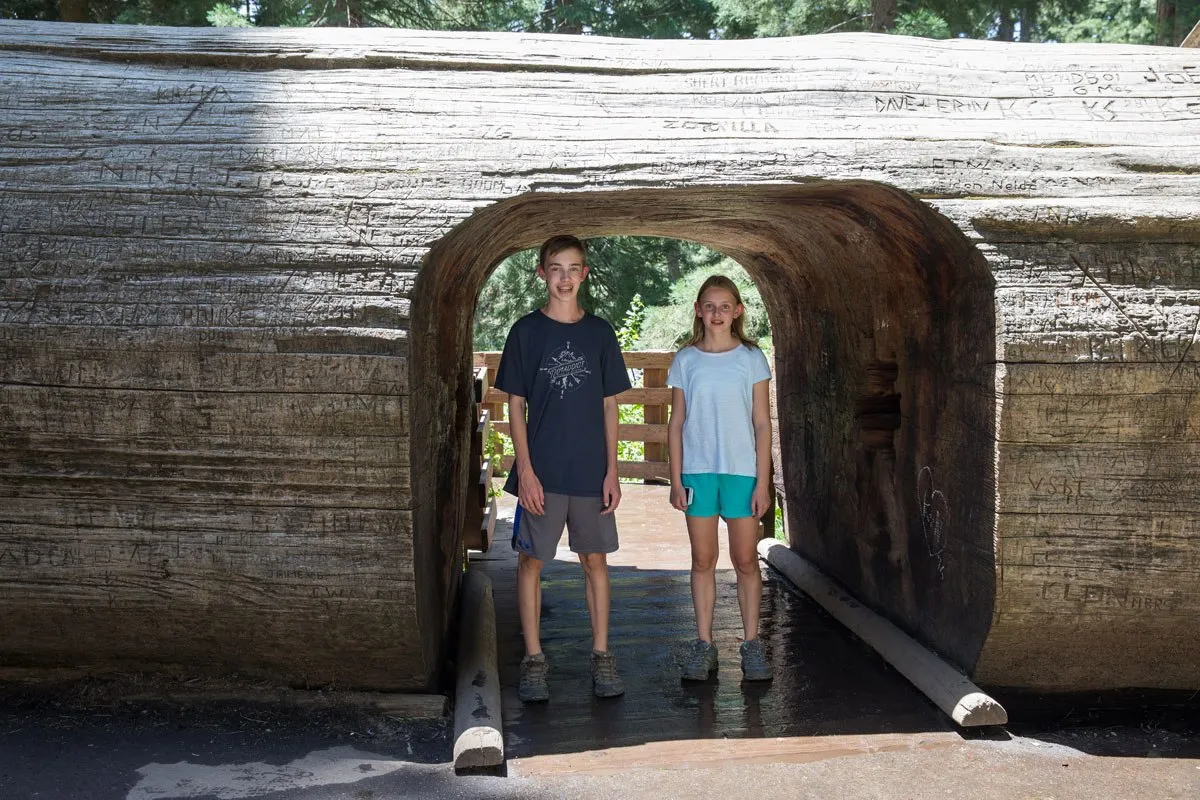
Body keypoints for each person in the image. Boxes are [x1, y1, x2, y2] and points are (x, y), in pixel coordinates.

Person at [494, 234, 631, 702]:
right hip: (544, 472)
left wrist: (613, 471)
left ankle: (601, 656)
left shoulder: (601, 334)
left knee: (596, 561)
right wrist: (526, 471)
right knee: (531, 560)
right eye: (556, 268)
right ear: (541, 273)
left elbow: (610, 407)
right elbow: (515, 407)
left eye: (574, 268)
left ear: (585, 274)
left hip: (592, 472)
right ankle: (533, 659)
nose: (565, 278)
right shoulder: (525, 333)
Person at [667, 274, 774, 682]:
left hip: (742, 472)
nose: (716, 313)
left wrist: (762, 483)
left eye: (724, 306)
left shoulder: (751, 358)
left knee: (745, 560)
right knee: (702, 560)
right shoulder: (686, 360)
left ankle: (751, 645)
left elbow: (762, 424)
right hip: (697, 471)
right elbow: (676, 424)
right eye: (709, 306)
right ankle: (704, 645)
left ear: (738, 311)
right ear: (698, 310)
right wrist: (676, 480)